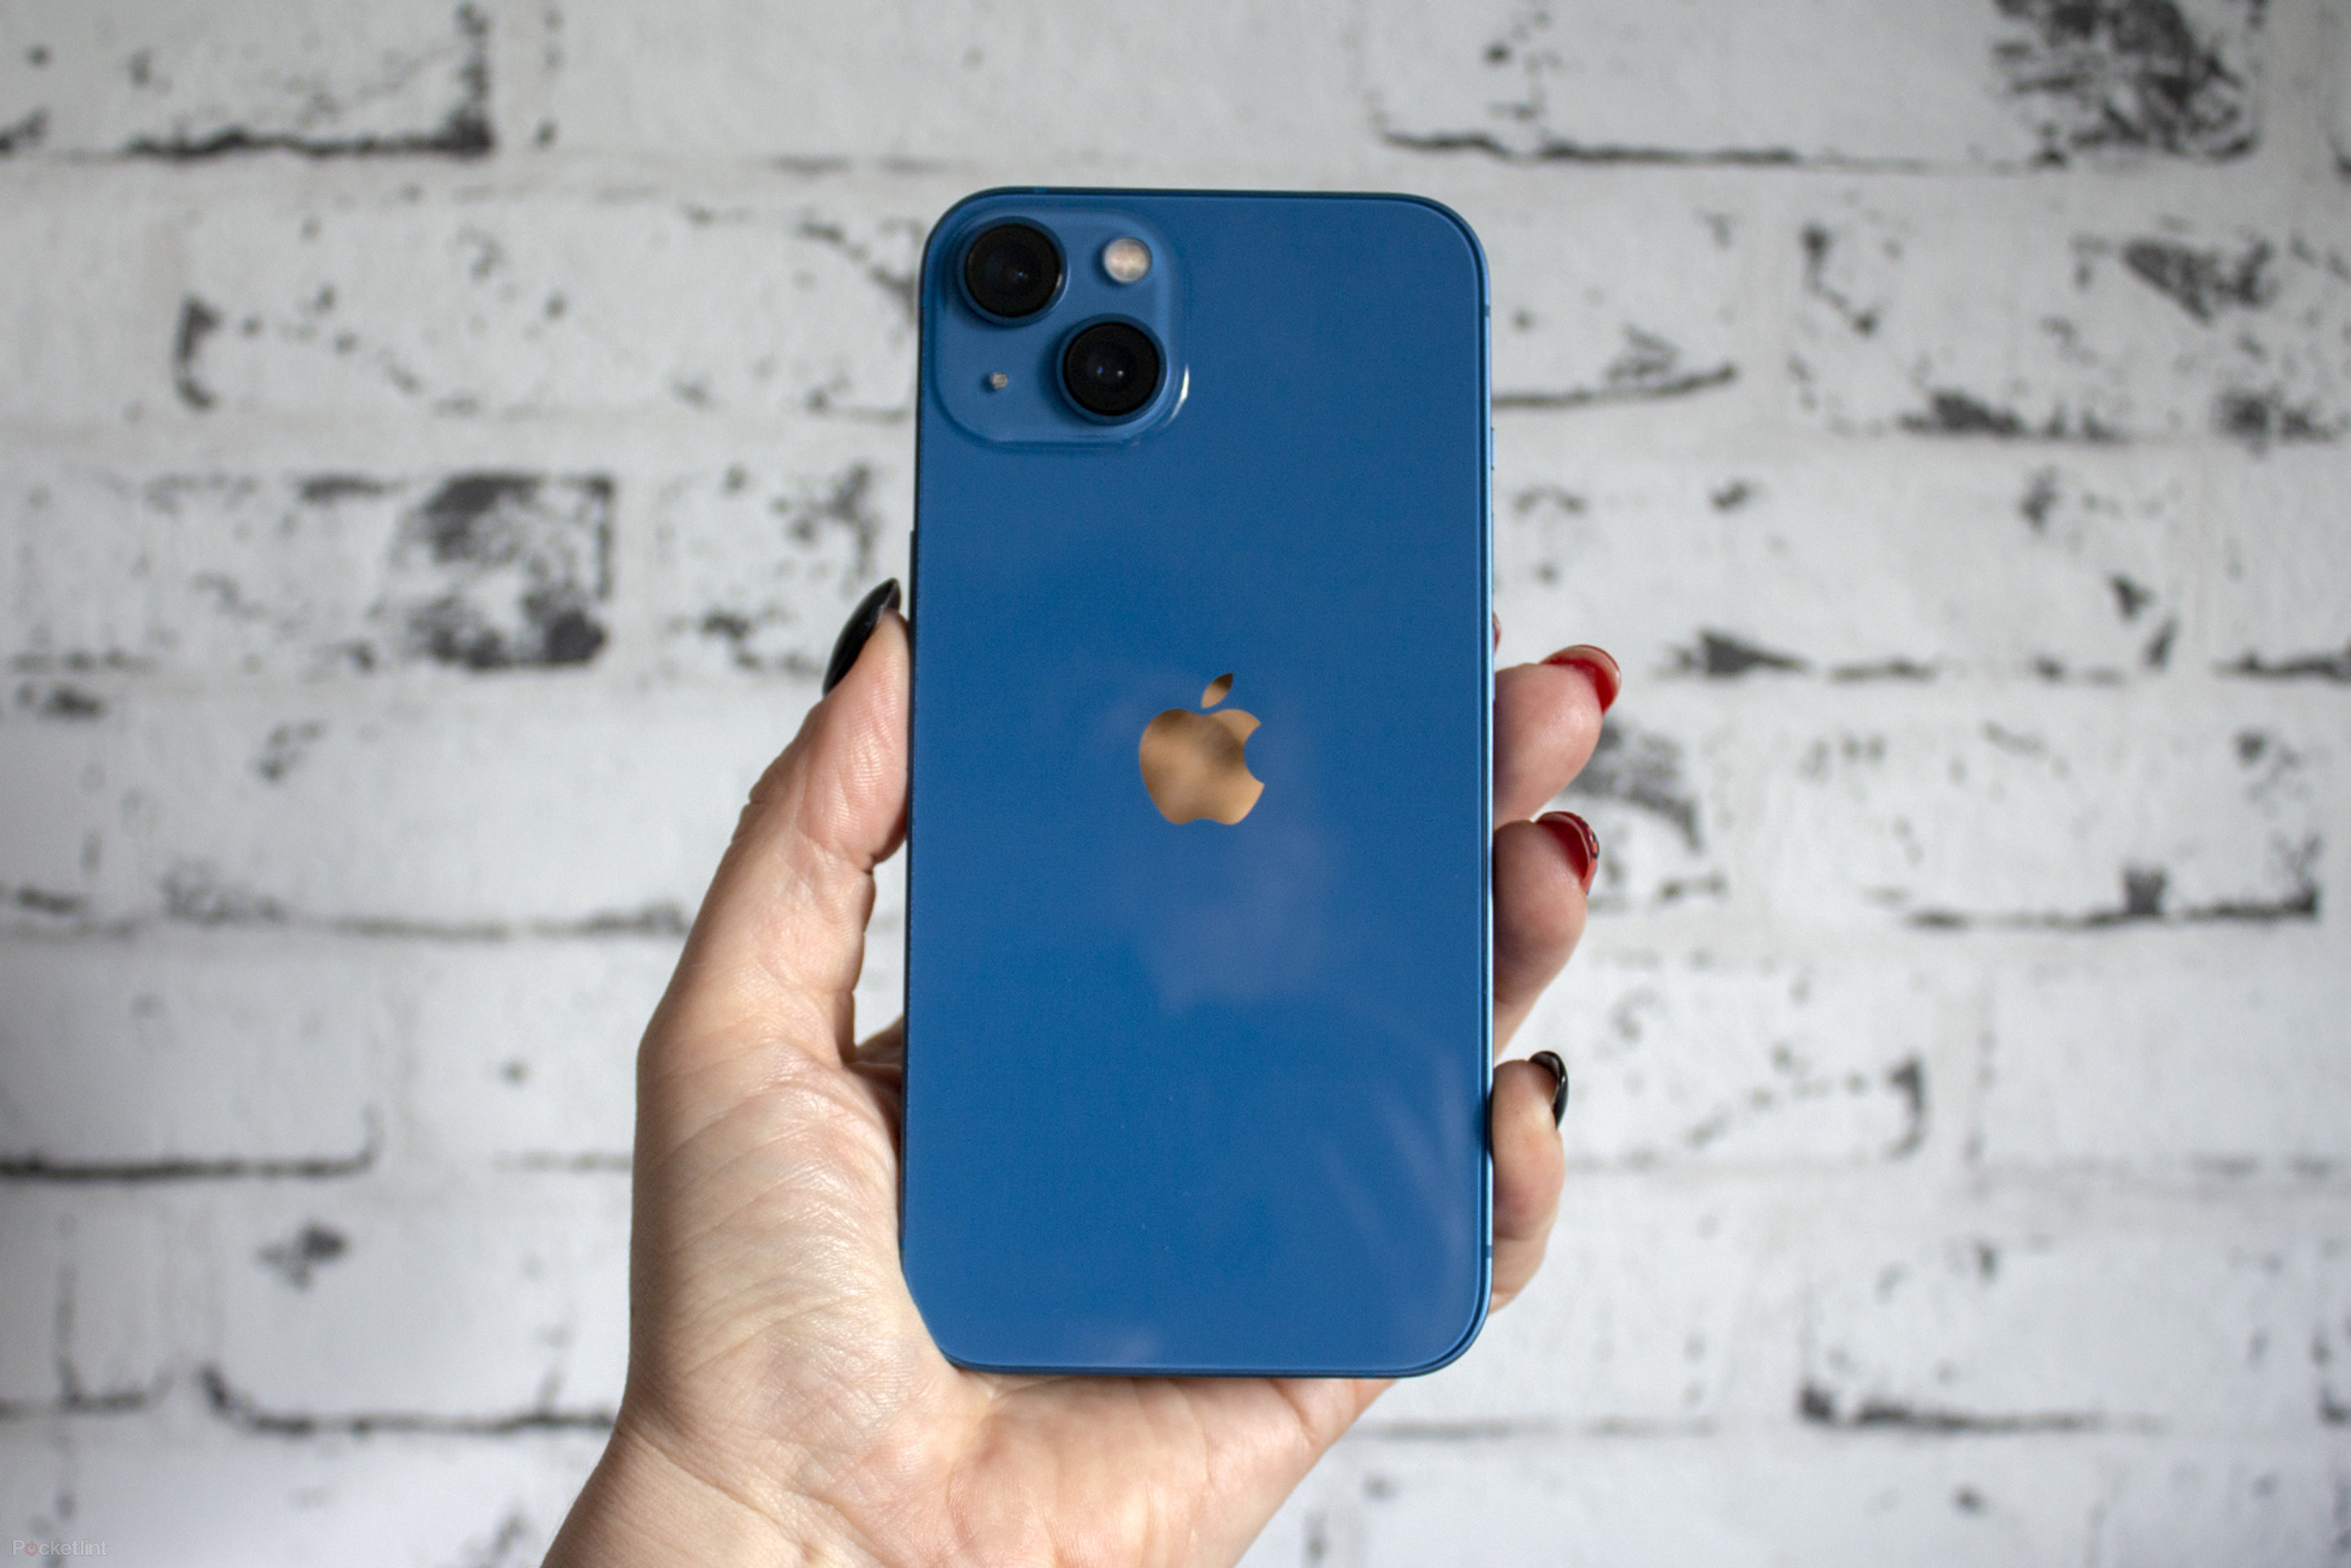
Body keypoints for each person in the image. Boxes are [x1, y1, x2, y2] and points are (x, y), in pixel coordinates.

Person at [545, 586, 1619, 1566]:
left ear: (1334, 855)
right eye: (1127, 778)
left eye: (1238, 775)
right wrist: (774, 1500)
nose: (1191, 816)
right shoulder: (992, 1123)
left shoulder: (1361, 1125)